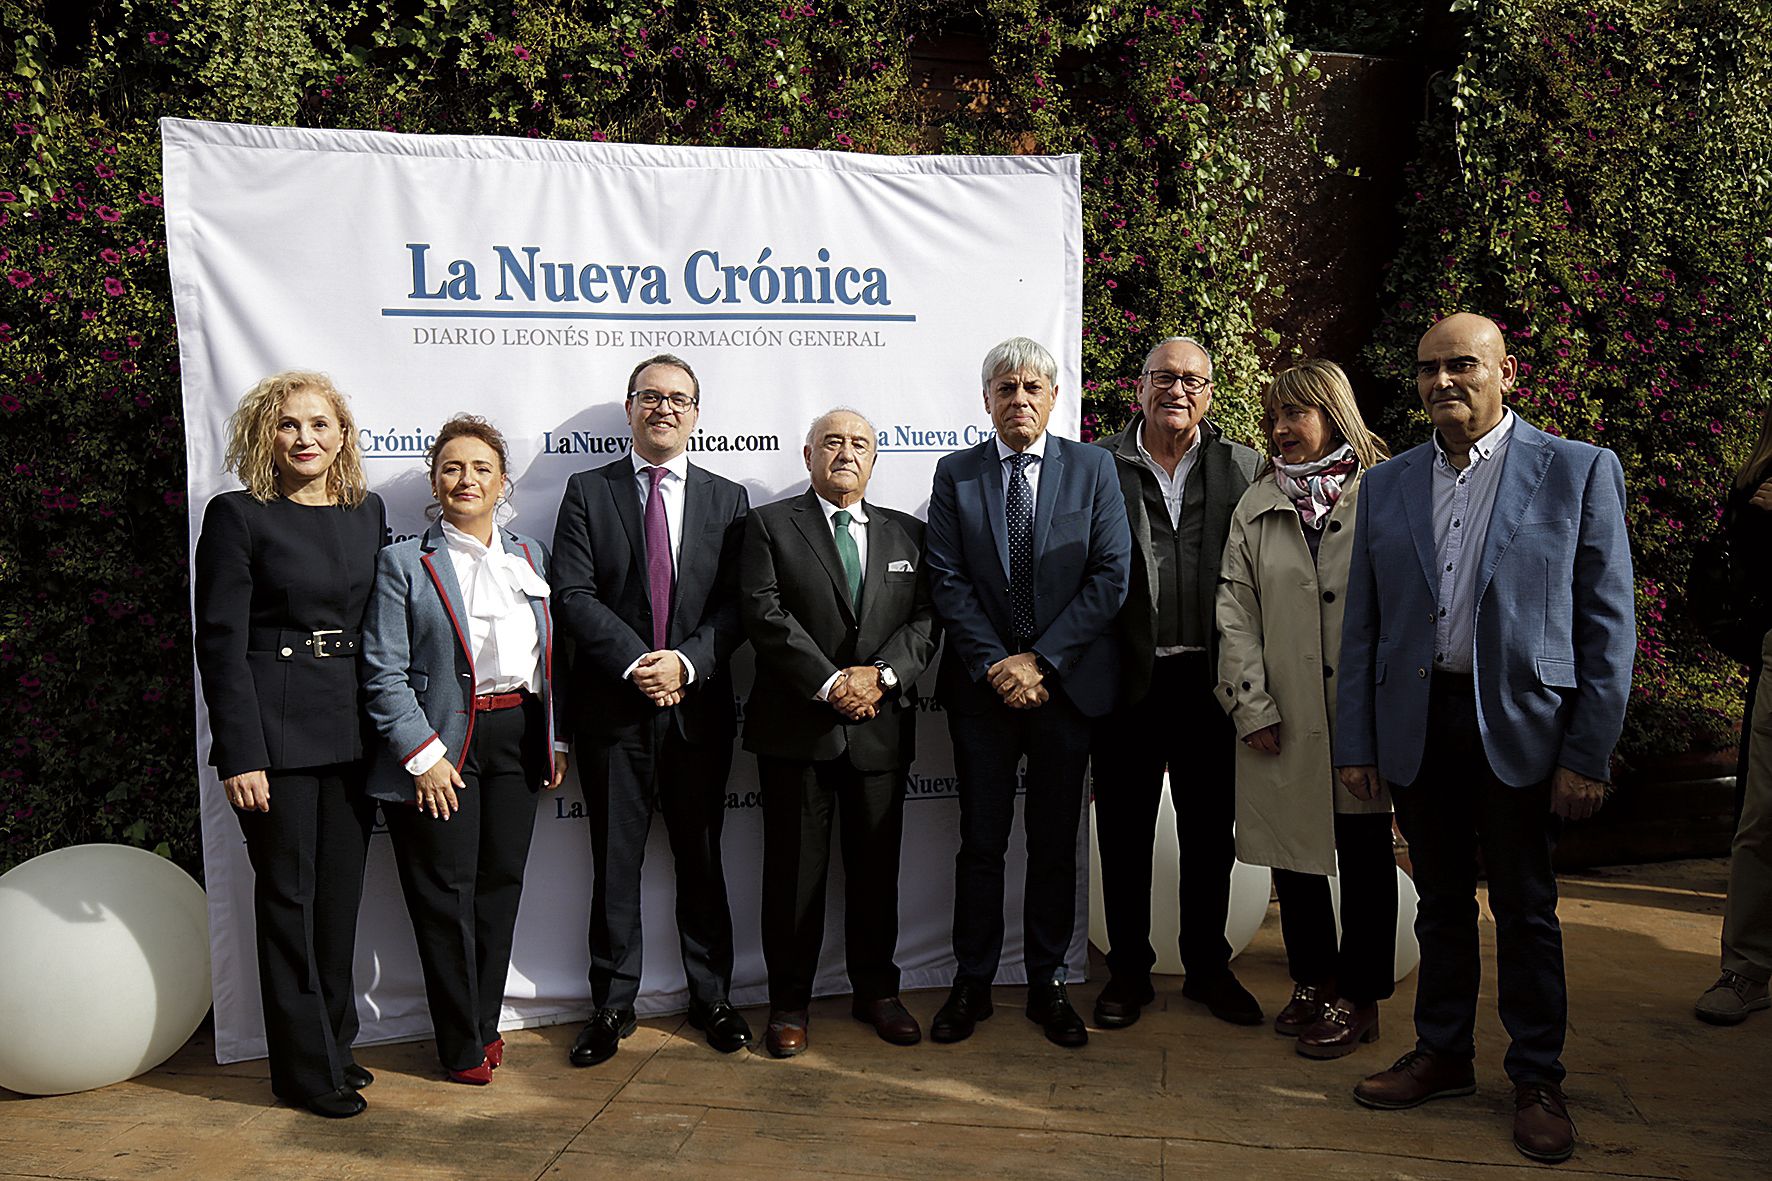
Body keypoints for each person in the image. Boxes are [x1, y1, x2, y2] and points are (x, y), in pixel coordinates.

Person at [1335, 313, 1635, 1165]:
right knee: (1437, 904)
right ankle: (1443, 1053)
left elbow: (1608, 625)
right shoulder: (1388, 484)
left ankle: (1538, 1075)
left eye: (1462, 365)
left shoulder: (1576, 471)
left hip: (1523, 731)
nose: (1443, 383)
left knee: (1527, 909)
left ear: (1506, 371)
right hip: (1419, 725)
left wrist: (1586, 751)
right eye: (1429, 369)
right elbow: (1364, 627)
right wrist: (1356, 739)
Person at [924, 336, 1131, 1049]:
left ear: (1053, 397)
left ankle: (1048, 981)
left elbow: (1111, 576)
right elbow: (945, 578)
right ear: (986, 400)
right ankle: (972, 981)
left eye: (1032, 388)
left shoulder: (1094, 468)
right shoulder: (956, 473)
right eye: (1005, 388)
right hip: (984, 693)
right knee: (981, 842)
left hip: (1065, 691)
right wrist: (998, 665)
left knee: (1053, 844)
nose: (1019, 400)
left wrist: (1040, 661)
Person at [192, 371, 384, 1118]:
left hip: (353, 731)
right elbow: (220, 642)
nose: (305, 438)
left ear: (342, 435)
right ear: (264, 434)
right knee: (290, 901)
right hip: (274, 737)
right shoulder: (239, 516)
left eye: (319, 424)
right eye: (288, 425)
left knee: (337, 903)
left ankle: (334, 1043)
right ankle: (304, 1071)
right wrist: (240, 751)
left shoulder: (365, 514)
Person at [552, 354, 752, 1066]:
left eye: (678, 398)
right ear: (629, 407)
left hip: (697, 712)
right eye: (650, 396)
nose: (664, 407)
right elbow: (573, 595)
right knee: (615, 865)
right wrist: (643, 662)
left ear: (697, 412)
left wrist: (687, 663)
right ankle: (611, 1006)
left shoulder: (730, 500)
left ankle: (713, 997)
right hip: (615, 711)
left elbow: (739, 606)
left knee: (701, 860)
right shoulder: (587, 491)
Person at [361, 414, 566, 1085]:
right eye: (452, 467)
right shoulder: (402, 563)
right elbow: (382, 670)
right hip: (444, 746)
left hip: (517, 737)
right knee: (444, 895)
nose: (466, 478)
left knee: (500, 888)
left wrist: (553, 735)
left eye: (480, 467)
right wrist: (422, 755)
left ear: (502, 481)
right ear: (434, 481)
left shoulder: (530, 555)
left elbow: (550, 661)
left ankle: (483, 1023)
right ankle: (458, 1043)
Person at [739, 408, 940, 1058]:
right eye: (832, 441)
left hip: (880, 732)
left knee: (877, 871)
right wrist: (831, 684)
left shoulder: (910, 534)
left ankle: (877, 991)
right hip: (799, 731)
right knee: (794, 875)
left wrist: (879, 677)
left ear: (875, 459)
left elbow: (927, 620)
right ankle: (789, 1003)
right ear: (807, 455)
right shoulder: (768, 526)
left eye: (859, 443)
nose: (845, 452)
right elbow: (764, 614)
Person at [1215, 359, 1396, 1058]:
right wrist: (1250, 704)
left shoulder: (1385, 493)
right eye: (1275, 417)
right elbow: (1233, 611)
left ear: (1333, 413)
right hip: (1282, 718)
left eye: (1297, 414)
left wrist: (1385, 718)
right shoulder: (1257, 504)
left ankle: (1362, 995)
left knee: (1365, 857)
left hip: (1360, 721)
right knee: (1296, 859)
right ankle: (1313, 979)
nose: (1282, 429)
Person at [1090, 335, 1261, 1031]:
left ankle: (1207, 968)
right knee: (1124, 830)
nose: (1178, 390)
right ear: (1139, 387)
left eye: (1193, 379)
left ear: (1211, 392)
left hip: (1212, 679)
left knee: (1209, 832)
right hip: (1127, 675)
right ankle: (1129, 969)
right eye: (1164, 376)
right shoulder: (1097, 463)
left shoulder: (1243, 465)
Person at [1695, 407, 1772, 1024]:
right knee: (1763, 817)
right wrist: (1755, 514)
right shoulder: (1759, 482)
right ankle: (1747, 969)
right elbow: (1742, 576)